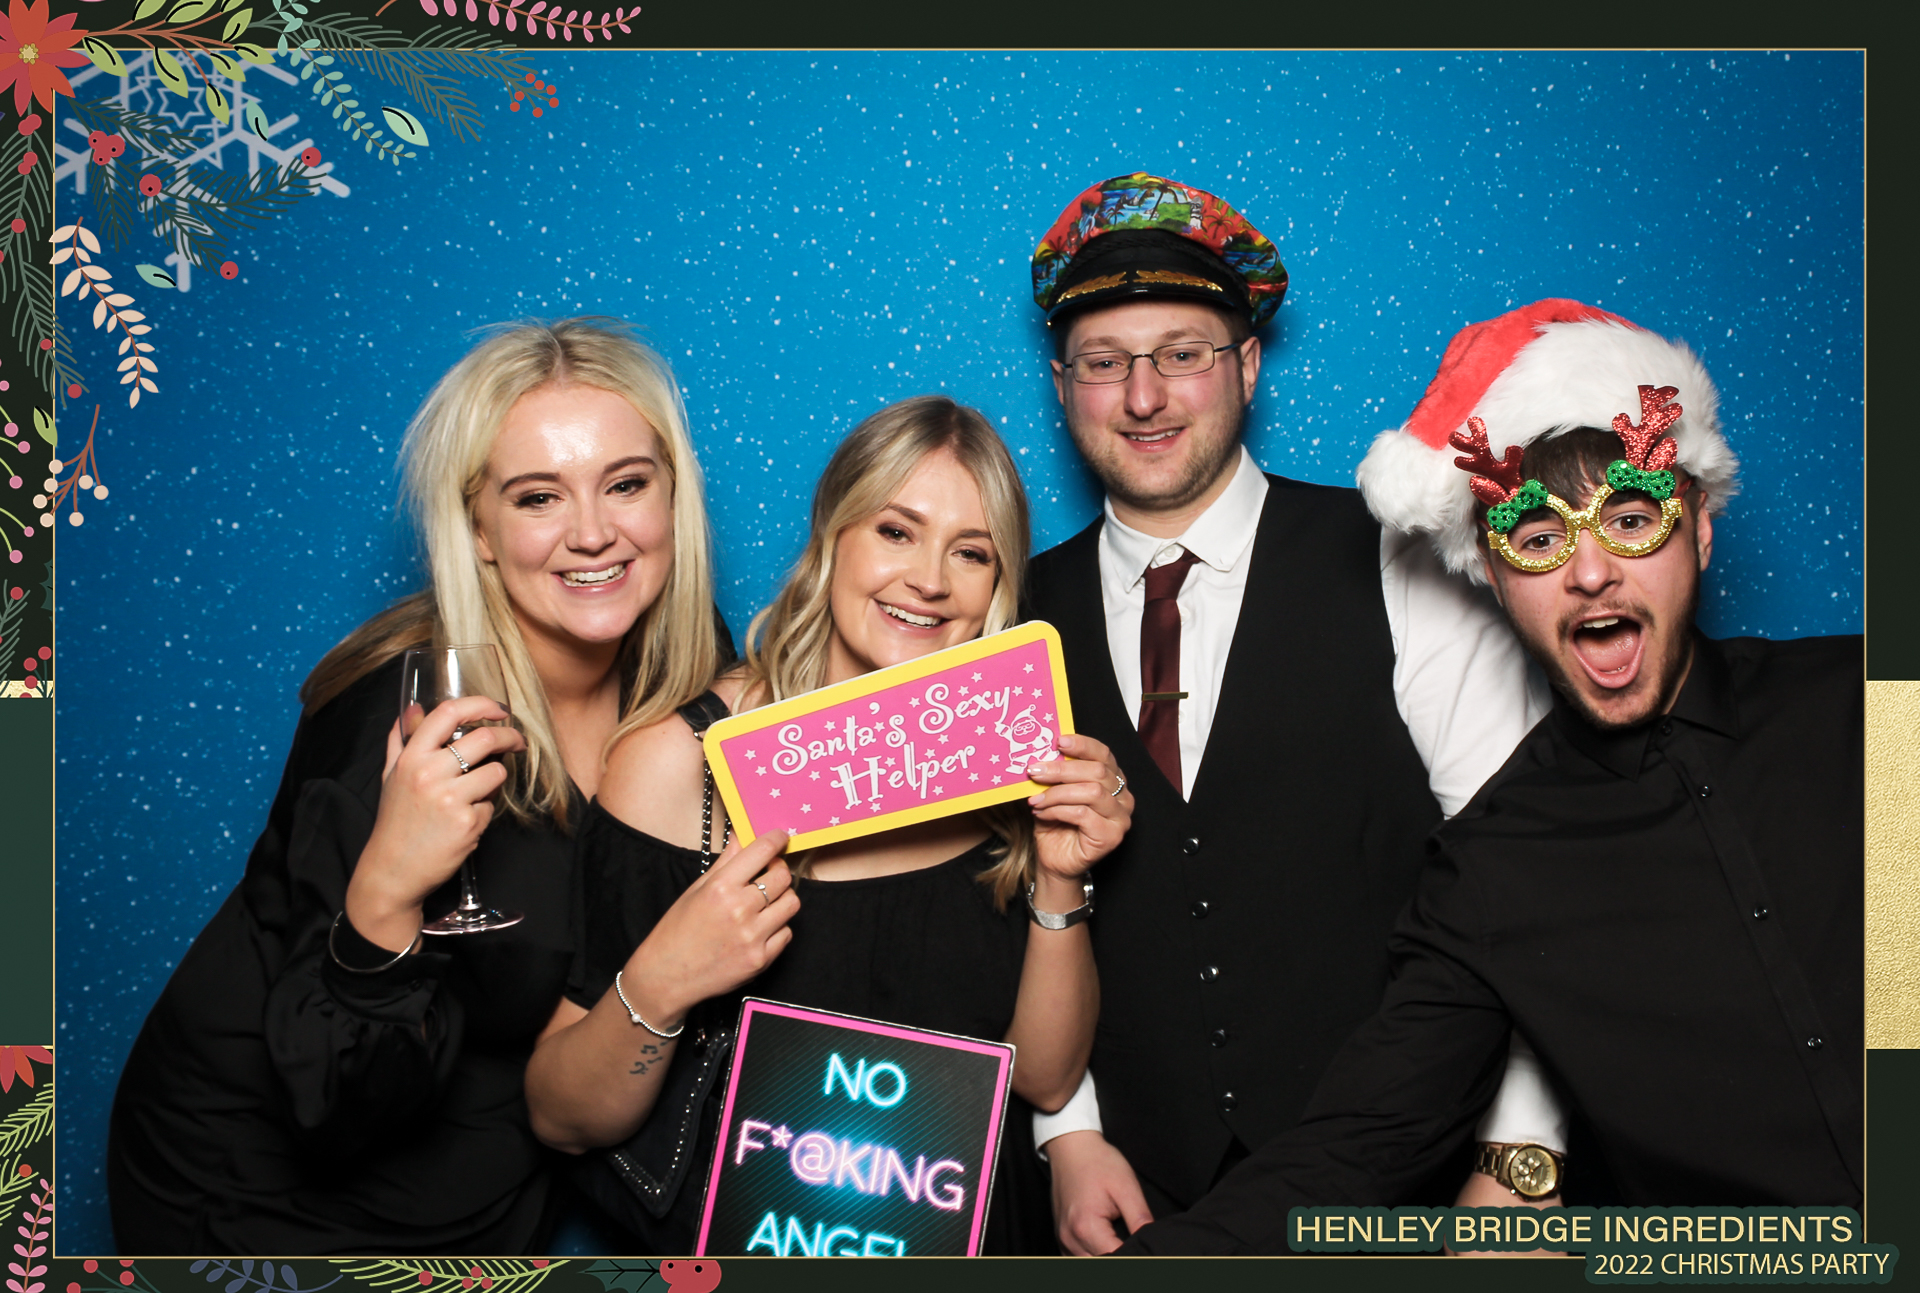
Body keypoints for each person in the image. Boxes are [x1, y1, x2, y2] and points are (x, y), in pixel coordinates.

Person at [1120, 299, 1862, 1253]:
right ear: (1493, 574)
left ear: (1701, 532)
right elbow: (1358, 1145)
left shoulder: (1862, 708)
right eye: (1540, 540)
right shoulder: (1496, 867)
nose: (1590, 574)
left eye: (1631, 520)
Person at [1020, 173, 1561, 1253]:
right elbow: (1005, 899)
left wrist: (1518, 1160)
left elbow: (1524, 879)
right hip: (1141, 1203)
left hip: (1410, 1184)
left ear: (1249, 364)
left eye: (1182, 353)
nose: (1144, 397)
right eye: (1105, 362)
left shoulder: (1397, 561)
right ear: (1063, 383)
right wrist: (1066, 1132)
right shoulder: (1014, 613)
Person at [107, 318, 731, 1253]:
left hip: (492, 1180)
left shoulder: (687, 668)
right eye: (538, 497)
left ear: (672, 497)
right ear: (478, 529)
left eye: (627, 484)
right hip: (267, 1202)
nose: (594, 532)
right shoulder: (394, 722)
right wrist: (389, 889)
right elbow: (332, 1103)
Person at [524, 395, 1133, 1254]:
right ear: (831, 535)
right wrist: (662, 978)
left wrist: (1063, 876)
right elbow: (560, 1118)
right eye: (896, 531)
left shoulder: (1011, 767)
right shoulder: (679, 763)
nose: (930, 579)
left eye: (971, 552)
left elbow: (1042, 1077)